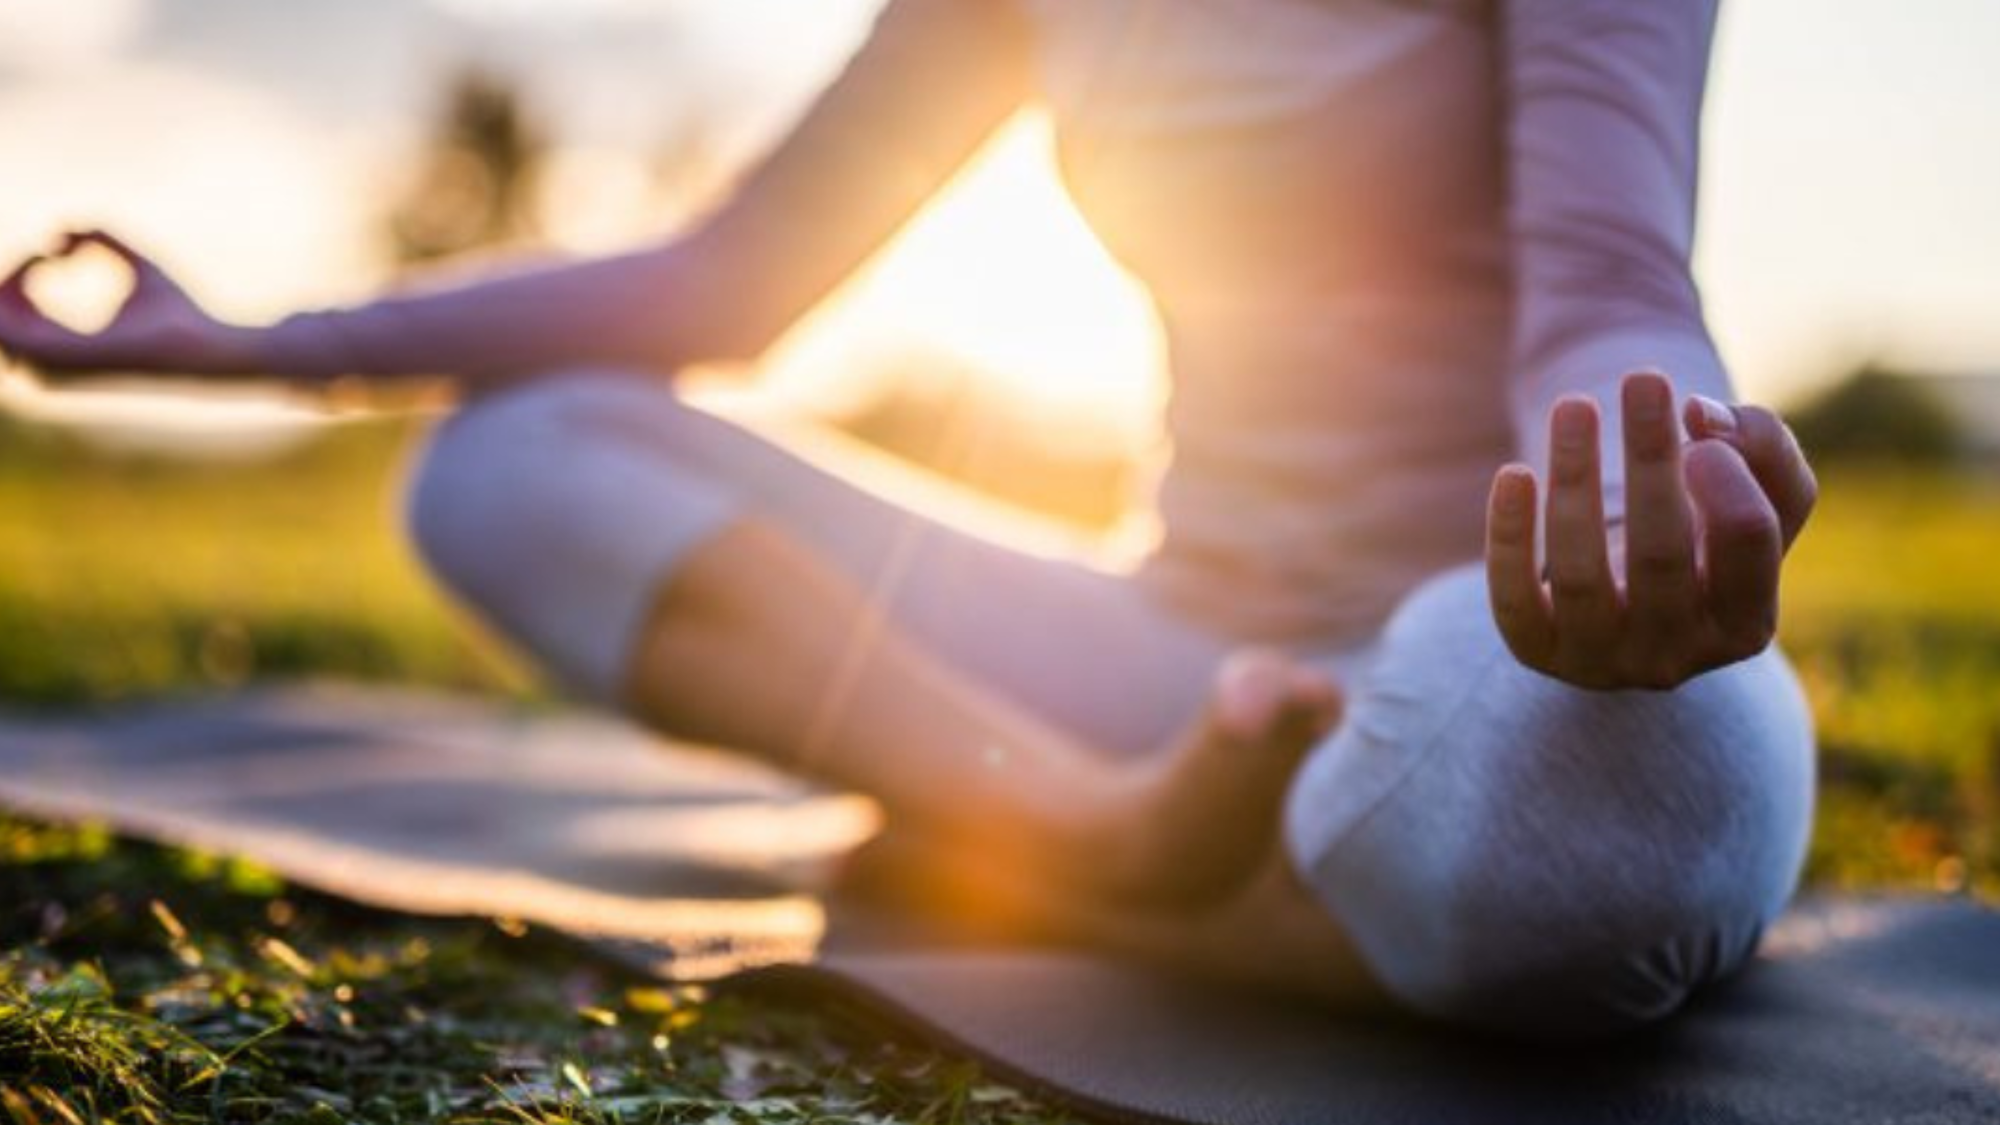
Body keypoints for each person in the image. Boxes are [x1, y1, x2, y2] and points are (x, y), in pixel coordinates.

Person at [0, 0, 1818, 1039]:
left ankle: (1100, 861)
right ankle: (1100, 841)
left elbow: (1605, 285)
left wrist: (1657, 488)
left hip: (1489, 644)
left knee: (1621, 832)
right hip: (1161, 664)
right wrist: (240, 346)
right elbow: (728, 284)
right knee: (512, 462)